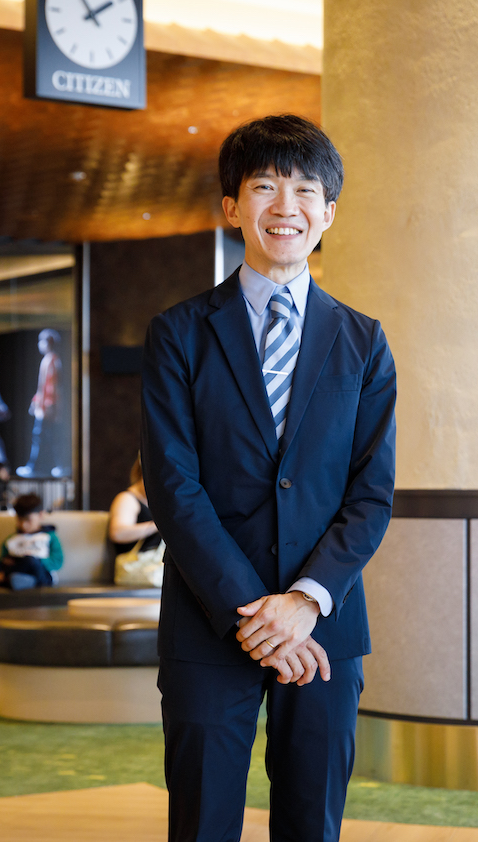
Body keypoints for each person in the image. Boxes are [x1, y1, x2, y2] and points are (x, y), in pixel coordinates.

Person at [141, 114, 397, 842]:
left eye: (305, 190)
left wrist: (306, 603)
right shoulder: (179, 333)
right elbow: (173, 486)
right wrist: (258, 613)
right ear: (232, 208)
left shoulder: (364, 341)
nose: (286, 207)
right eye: (264, 187)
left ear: (328, 213)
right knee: (202, 823)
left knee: (312, 825)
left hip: (325, 626)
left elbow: (370, 493)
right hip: (208, 620)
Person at [17, 329, 63, 479]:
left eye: (42, 341)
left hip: (47, 409)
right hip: (43, 408)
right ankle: (50, 466)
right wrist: (36, 402)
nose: (39, 344)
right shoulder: (48, 360)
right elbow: (42, 387)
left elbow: (51, 387)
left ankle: (49, 466)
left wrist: (48, 406)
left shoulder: (53, 361)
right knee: (43, 437)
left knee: (44, 437)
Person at [108, 455, 162, 557]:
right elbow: (117, 533)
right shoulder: (127, 499)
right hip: (138, 566)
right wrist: (157, 526)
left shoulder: (154, 500)